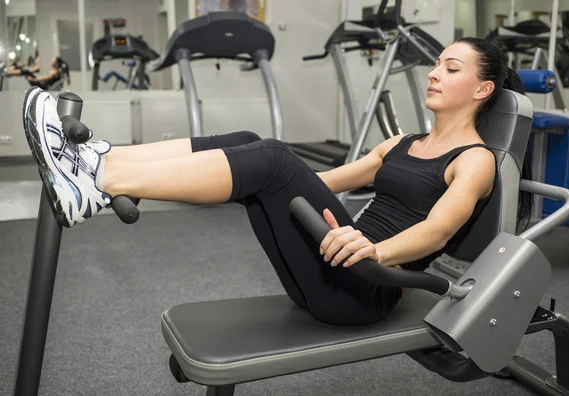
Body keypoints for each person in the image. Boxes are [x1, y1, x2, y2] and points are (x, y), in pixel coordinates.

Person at [22, 37, 531, 326]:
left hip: (366, 287)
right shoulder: (400, 143)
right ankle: (103, 158)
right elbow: (315, 180)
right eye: (437, 63)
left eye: (451, 67)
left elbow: (437, 233)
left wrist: (376, 252)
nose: (434, 73)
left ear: (483, 88)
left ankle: (100, 180)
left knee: (270, 155)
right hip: (330, 261)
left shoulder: (477, 160)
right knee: (255, 143)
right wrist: (255, 166)